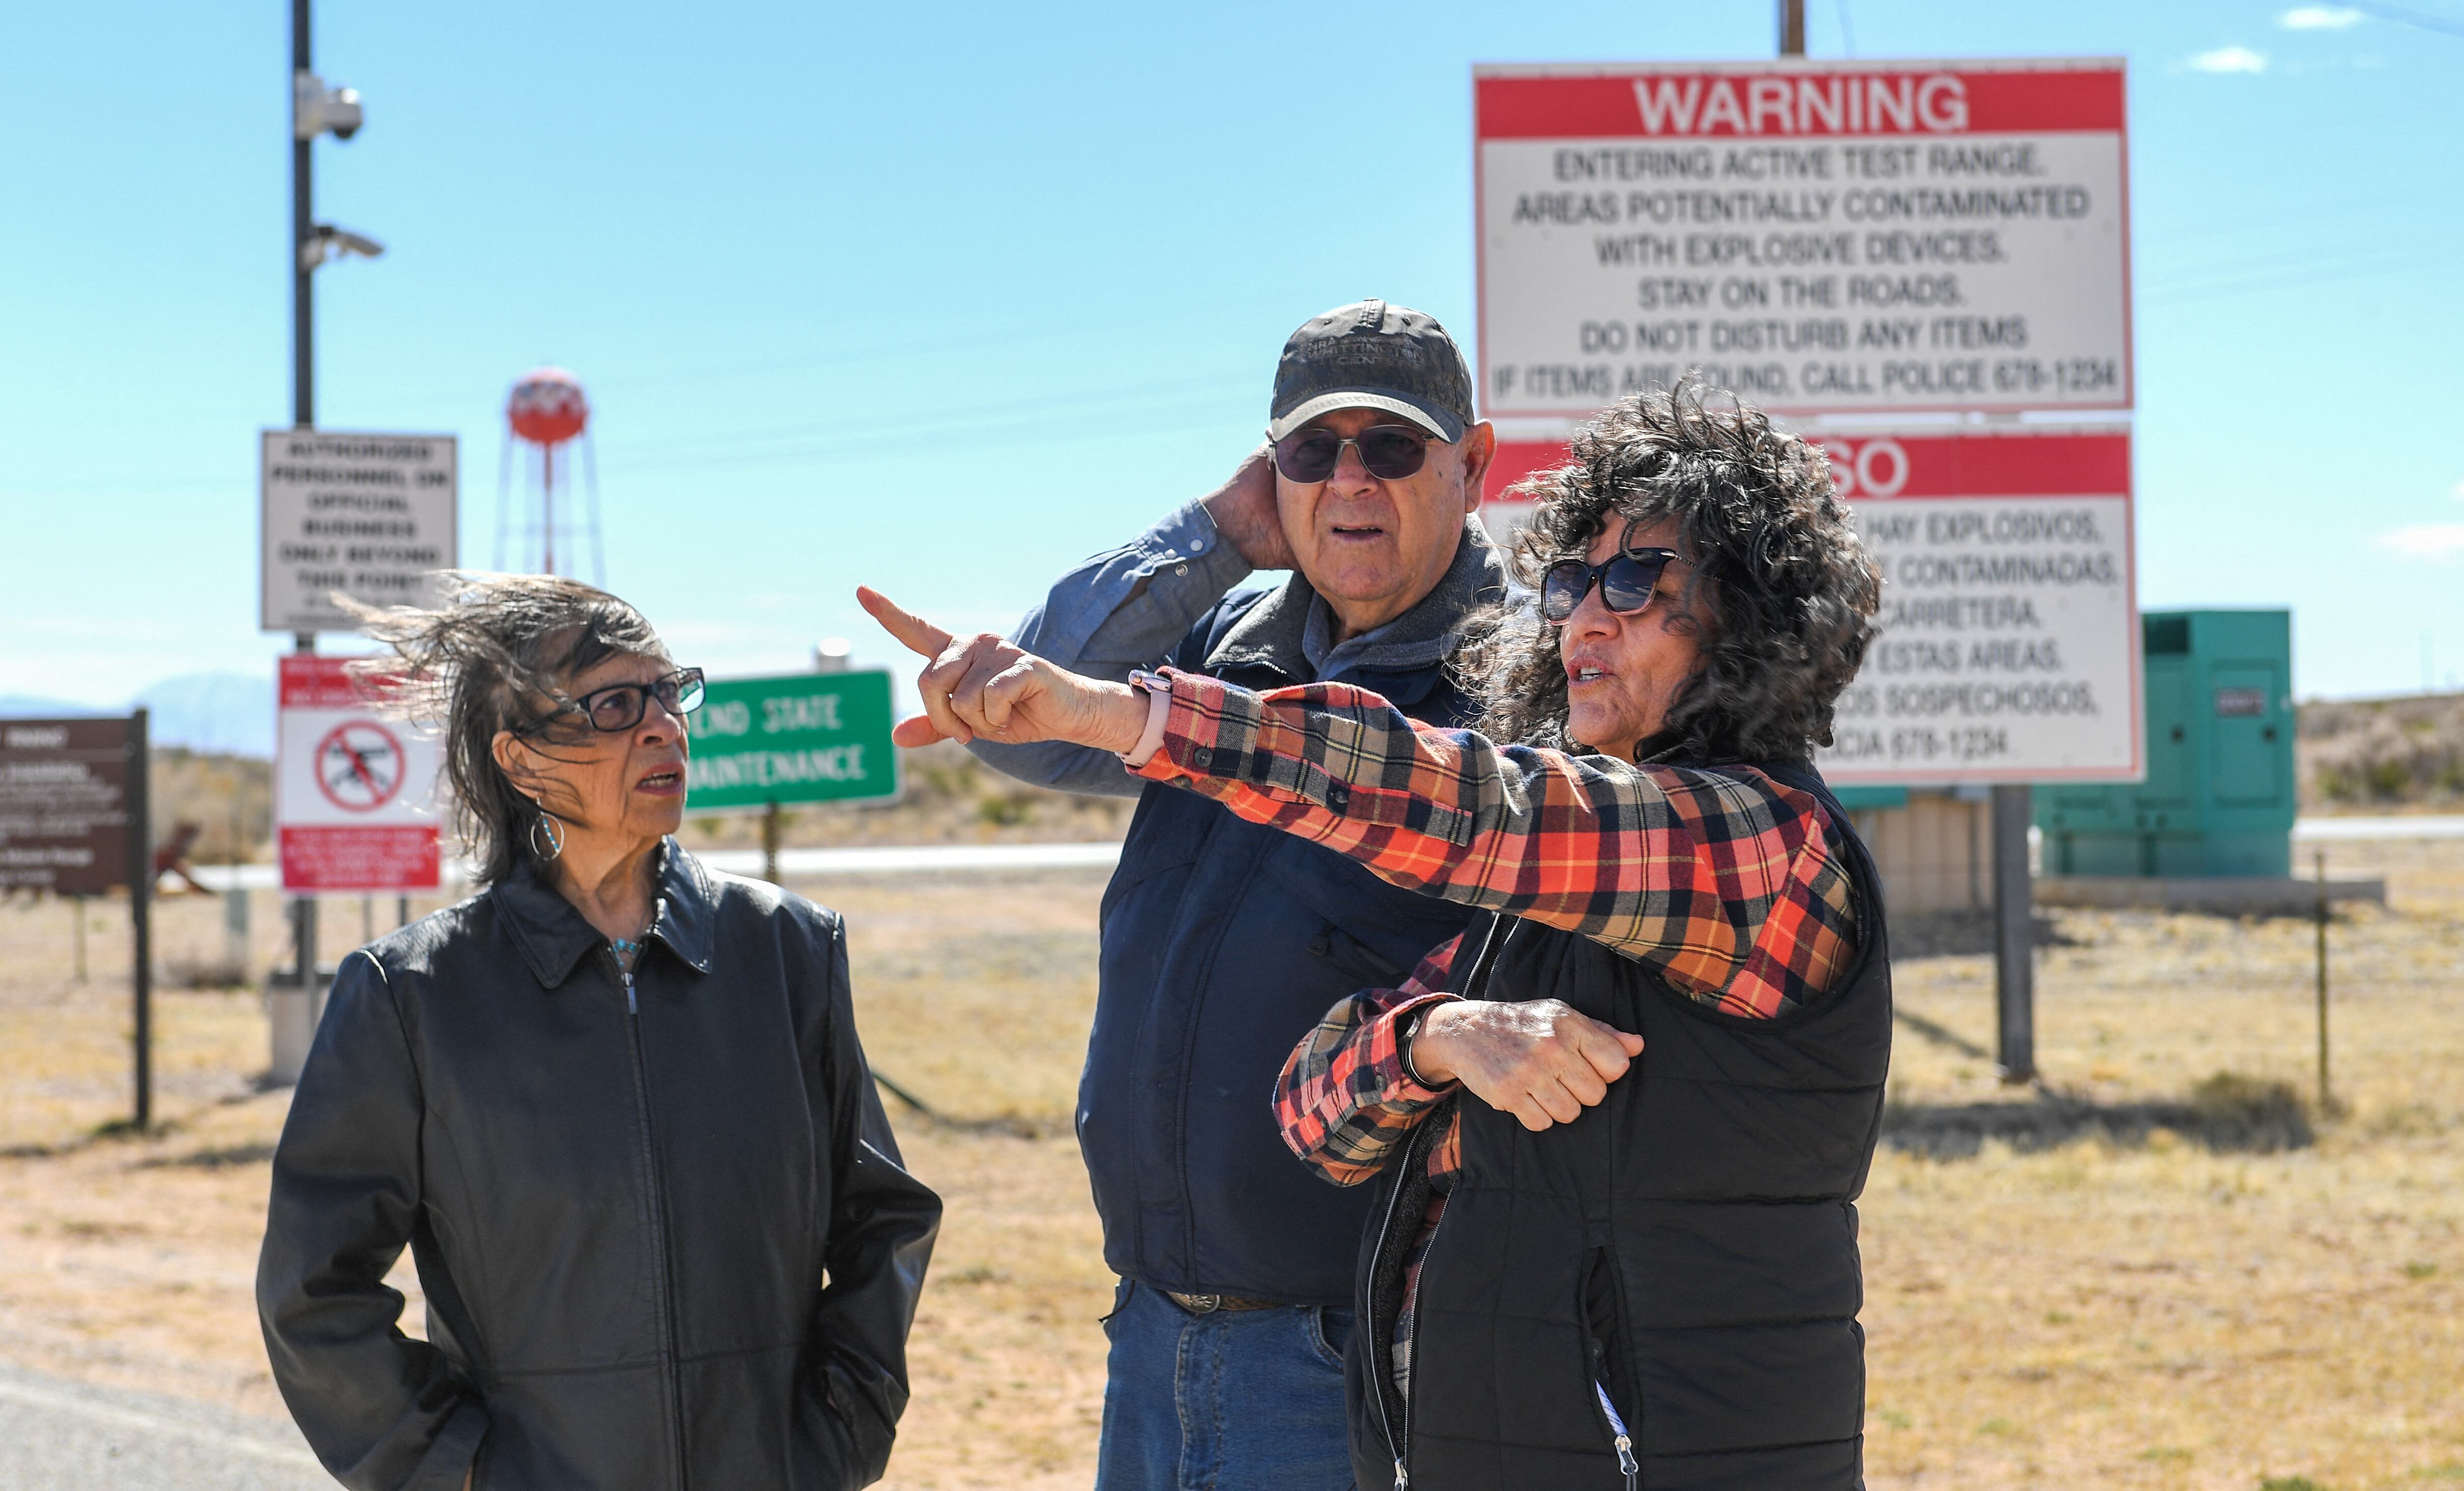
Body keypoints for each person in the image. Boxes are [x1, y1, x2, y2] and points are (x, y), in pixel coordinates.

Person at [862, 380, 1890, 1489]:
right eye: (1573, 582)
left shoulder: (1764, 851)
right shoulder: (1553, 900)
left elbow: (1461, 803)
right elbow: (1314, 1111)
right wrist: (1435, 1037)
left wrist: (1119, 713)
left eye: (1640, 583)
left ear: (1748, 616)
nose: (1587, 620)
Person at [958, 299, 1503, 1487]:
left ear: (1471, 466)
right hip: (1153, 1328)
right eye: (1313, 449)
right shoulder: (1221, 646)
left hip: (1355, 1350)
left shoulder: (1518, 694)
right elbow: (1017, 733)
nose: (1348, 479)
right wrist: (1214, 534)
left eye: (1391, 445)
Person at [257, 575, 941, 1491]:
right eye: (615, 704)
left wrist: (838, 1431)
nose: (663, 727)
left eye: (670, 693)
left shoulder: (788, 949)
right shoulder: (412, 997)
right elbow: (313, 1288)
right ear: (521, 760)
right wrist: (457, 1469)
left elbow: (882, 1219)